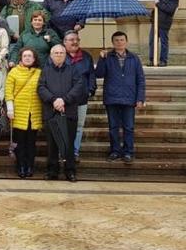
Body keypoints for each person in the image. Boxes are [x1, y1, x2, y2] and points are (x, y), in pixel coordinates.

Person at [95, 31, 146, 164]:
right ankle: (115, 151)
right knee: (113, 127)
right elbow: (99, 74)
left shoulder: (134, 58)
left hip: (129, 98)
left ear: (126, 41)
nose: (119, 42)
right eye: (116, 40)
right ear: (113, 43)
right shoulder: (107, 57)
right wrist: (101, 58)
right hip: (112, 98)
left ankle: (128, 152)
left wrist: (140, 98)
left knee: (129, 127)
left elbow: (140, 79)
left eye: (122, 40)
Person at [37, 45, 86, 182]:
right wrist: (54, 100)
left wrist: (64, 100)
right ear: (51, 55)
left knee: (68, 144)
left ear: (65, 55)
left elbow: (78, 87)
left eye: (61, 53)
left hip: (68, 111)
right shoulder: (45, 71)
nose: (58, 55)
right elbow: (41, 88)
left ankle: (70, 171)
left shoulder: (73, 70)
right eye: (56, 53)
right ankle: (52, 170)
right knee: (52, 144)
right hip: (51, 112)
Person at [5, 47, 42, 178]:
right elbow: (8, 92)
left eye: (30, 56)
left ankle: (30, 166)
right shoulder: (13, 72)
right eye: (25, 55)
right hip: (18, 112)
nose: (27, 58)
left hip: (34, 113)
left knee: (31, 143)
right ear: (20, 58)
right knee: (20, 142)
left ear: (34, 58)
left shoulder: (39, 73)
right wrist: (10, 108)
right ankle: (20, 166)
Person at [64, 31, 96, 162]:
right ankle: (64, 151)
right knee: (64, 126)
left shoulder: (86, 56)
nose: (74, 42)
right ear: (64, 42)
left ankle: (75, 151)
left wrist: (90, 90)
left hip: (81, 98)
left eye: (76, 39)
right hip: (65, 98)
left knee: (79, 126)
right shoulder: (60, 55)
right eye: (71, 40)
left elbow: (91, 76)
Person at [149, 0, 179, 66]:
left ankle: (163, 61)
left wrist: (158, 4)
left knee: (163, 42)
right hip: (155, 22)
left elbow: (169, 10)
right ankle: (152, 60)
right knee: (152, 41)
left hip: (164, 23)